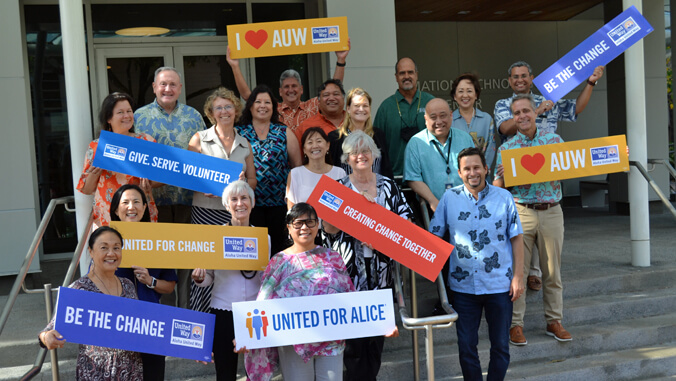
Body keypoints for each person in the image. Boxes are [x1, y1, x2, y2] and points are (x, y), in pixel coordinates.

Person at [429, 147, 524, 381]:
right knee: (466, 348)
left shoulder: (505, 198)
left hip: (499, 286)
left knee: (501, 346)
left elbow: (517, 237)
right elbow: (433, 236)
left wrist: (518, 276)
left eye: (476, 167)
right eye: (467, 169)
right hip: (463, 289)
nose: (473, 173)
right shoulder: (449, 199)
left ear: (486, 169)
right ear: (460, 173)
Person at [322, 131, 406, 381]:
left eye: (366, 151)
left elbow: (405, 223)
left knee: (376, 342)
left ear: (374, 155)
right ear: (346, 158)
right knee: (354, 346)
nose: (361, 155)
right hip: (349, 277)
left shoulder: (388, 186)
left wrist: (381, 233)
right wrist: (356, 208)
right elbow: (326, 228)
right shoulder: (337, 188)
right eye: (355, 152)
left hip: (381, 275)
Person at [244, 203, 355, 381]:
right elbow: (262, 304)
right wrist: (246, 334)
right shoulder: (279, 261)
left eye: (310, 222)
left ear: (317, 225)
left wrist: (383, 325)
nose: (304, 227)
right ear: (289, 228)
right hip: (293, 343)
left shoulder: (332, 257)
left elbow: (350, 297)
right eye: (298, 223)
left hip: (331, 341)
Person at [493, 94, 571, 346]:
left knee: (552, 271)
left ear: (535, 113)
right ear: (513, 118)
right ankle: (516, 325)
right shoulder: (506, 149)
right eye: (517, 113)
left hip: (551, 210)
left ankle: (554, 321)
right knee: (519, 272)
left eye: (526, 111)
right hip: (521, 211)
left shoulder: (554, 141)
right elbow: (496, 187)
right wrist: (503, 177)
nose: (522, 116)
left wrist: (614, 154)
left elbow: (574, 166)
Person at [134, 66, 207, 308]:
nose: (168, 89)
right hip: (153, 203)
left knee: (187, 265)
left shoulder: (194, 116)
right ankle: (161, 320)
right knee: (159, 264)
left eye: (173, 84)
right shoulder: (138, 117)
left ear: (180, 89)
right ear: (154, 87)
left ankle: (185, 316)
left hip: (188, 202)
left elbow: (203, 156)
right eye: (163, 84)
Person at [39, 226, 143, 380]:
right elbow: (49, 329)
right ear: (91, 251)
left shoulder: (128, 285)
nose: (111, 253)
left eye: (116, 247)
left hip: (131, 370)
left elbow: (140, 325)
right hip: (95, 371)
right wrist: (47, 336)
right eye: (104, 248)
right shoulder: (79, 289)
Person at [187, 87, 257, 312]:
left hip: (235, 214)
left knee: (230, 269)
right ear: (211, 112)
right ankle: (203, 325)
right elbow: (188, 175)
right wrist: (204, 184)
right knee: (204, 267)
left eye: (228, 106)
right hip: (206, 211)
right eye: (219, 108)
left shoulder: (245, 144)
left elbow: (253, 181)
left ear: (235, 110)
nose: (224, 111)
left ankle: (229, 318)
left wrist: (244, 181)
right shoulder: (199, 139)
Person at [192, 181, 269, 381]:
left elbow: (266, 280)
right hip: (223, 310)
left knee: (258, 373)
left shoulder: (264, 238)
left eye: (244, 198)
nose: (239, 203)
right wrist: (199, 277)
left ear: (252, 203)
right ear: (226, 205)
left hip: (254, 313)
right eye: (234, 199)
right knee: (225, 373)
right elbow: (208, 279)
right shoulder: (215, 236)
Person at [111, 184, 178, 381]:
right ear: (116, 209)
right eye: (125, 202)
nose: (131, 207)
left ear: (144, 208)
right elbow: (93, 282)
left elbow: (170, 286)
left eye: (136, 202)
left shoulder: (158, 241)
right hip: (118, 324)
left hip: (152, 323)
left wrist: (150, 281)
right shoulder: (105, 241)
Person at [226, 42, 350, 133]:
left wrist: (341, 60)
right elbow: (248, 96)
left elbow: (333, 89)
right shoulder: (273, 108)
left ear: (301, 89)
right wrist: (235, 66)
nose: (290, 90)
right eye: (286, 87)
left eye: (294, 86)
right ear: (280, 91)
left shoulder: (312, 106)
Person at [77, 92, 159, 228]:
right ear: (109, 118)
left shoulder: (146, 141)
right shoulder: (97, 146)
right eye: (120, 112)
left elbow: (162, 178)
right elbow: (86, 189)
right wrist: (94, 173)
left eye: (129, 111)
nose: (126, 116)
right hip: (108, 214)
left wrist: (150, 182)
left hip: (139, 213)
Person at [237, 85, 302, 255]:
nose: (262, 106)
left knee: (278, 250)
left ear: (274, 107)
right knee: (253, 251)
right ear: (250, 106)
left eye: (267, 102)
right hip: (249, 203)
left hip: (279, 204)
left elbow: (297, 168)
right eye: (258, 102)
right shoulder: (239, 133)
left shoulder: (284, 131)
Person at [494, 61, 605, 139]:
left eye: (524, 76)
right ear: (509, 80)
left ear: (531, 79)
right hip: (516, 163)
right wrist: (537, 111)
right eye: (515, 77)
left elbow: (577, 108)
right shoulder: (502, 104)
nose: (520, 80)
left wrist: (591, 82)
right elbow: (505, 129)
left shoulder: (547, 100)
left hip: (548, 163)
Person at [404, 98, 474, 213]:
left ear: (451, 115)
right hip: (431, 208)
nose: (439, 122)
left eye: (443, 116)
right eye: (433, 117)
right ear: (425, 119)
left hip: (466, 205)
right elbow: (412, 178)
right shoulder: (416, 143)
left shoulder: (465, 138)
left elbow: (474, 170)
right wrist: (433, 201)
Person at [374, 57, 435, 178]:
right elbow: (376, 146)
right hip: (395, 177)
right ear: (396, 77)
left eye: (410, 72)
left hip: (428, 176)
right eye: (402, 73)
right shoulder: (385, 107)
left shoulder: (430, 102)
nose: (406, 76)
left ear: (416, 75)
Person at [328, 87, 393, 178]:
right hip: (345, 190)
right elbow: (331, 171)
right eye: (357, 106)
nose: (361, 109)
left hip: (376, 189)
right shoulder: (335, 137)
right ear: (348, 109)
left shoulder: (378, 134)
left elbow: (386, 169)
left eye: (365, 106)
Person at [286, 127, 346, 209]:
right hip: (305, 222)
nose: (315, 146)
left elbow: (345, 206)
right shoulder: (295, 174)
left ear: (328, 145)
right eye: (310, 142)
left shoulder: (339, 173)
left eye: (319, 141)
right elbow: (291, 211)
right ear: (304, 149)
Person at [451, 73, 497, 177]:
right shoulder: (449, 120)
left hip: (481, 176)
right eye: (461, 91)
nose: (465, 95)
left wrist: (483, 170)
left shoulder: (486, 119)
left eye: (469, 91)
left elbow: (491, 148)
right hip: (457, 176)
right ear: (454, 96)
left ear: (476, 95)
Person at [294, 79, 348, 143]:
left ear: (343, 98)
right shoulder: (304, 127)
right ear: (318, 101)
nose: (331, 98)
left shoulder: (355, 121)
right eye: (326, 95)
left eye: (336, 94)